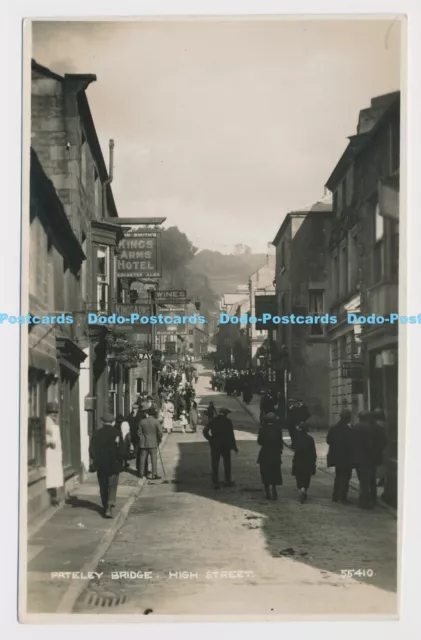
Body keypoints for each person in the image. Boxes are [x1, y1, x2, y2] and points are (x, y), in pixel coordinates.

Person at [89, 413, 125, 518]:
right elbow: (121, 450)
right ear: (112, 422)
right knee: (112, 485)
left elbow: (92, 449)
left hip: (101, 463)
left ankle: (105, 506)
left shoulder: (97, 433)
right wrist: (121, 459)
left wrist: (94, 459)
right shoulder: (117, 433)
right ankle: (109, 505)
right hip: (114, 463)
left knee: (103, 485)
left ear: (102, 422)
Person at [353, 411, 387, 509]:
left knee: (364, 480)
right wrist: (376, 452)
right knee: (370, 479)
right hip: (370, 457)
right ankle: (371, 499)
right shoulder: (376, 428)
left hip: (360, 458)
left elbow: (352, 442)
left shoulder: (356, 427)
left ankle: (364, 500)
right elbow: (382, 442)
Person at [203, 407, 238, 489]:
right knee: (227, 463)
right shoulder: (228, 422)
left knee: (215, 463)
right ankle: (228, 481)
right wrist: (234, 447)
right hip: (226, 446)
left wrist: (210, 439)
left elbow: (205, 431)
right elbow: (231, 435)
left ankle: (215, 482)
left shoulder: (213, 420)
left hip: (215, 445)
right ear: (226, 413)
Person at [326, 409, 354, 503]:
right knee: (346, 477)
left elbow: (328, 440)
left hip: (336, 456)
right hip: (346, 457)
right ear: (348, 418)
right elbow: (352, 443)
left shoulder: (334, 428)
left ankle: (335, 496)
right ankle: (343, 497)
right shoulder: (349, 430)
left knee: (338, 476)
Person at [257, 412, 283, 500]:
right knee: (275, 472)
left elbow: (259, 442)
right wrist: (280, 451)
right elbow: (280, 442)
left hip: (265, 453)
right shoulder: (278, 429)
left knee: (265, 472)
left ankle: (267, 491)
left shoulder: (262, 429)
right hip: (275, 453)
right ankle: (274, 488)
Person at [292, 422, 317, 503]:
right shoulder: (310, 439)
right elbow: (313, 452)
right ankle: (304, 489)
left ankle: (301, 489)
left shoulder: (297, 438)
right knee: (307, 477)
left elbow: (294, 447)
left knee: (299, 477)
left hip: (299, 460)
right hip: (308, 461)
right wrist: (313, 461)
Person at [45, 402, 64, 506]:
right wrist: (50, 441)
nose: (54, 415)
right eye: (52, 412)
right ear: (48, 413)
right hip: (50, 452)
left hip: (56, 453)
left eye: (55, 412)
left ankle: (55, 496)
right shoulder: (47, 422)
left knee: (55, 474)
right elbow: (45, 436)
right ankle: (53, 497)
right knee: (52, 475)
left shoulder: (54, 423)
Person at [137, 408, 163, 480]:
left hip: (144, 443)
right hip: (153, 442)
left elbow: (139, 432)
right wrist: (159, 439)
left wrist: (142, 438)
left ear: (147, 413)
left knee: (142, 458)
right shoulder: (156, 422)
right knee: (153, 459)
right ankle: (154, 474)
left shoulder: (142, 421)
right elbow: (160, 432)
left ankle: (141, 474)